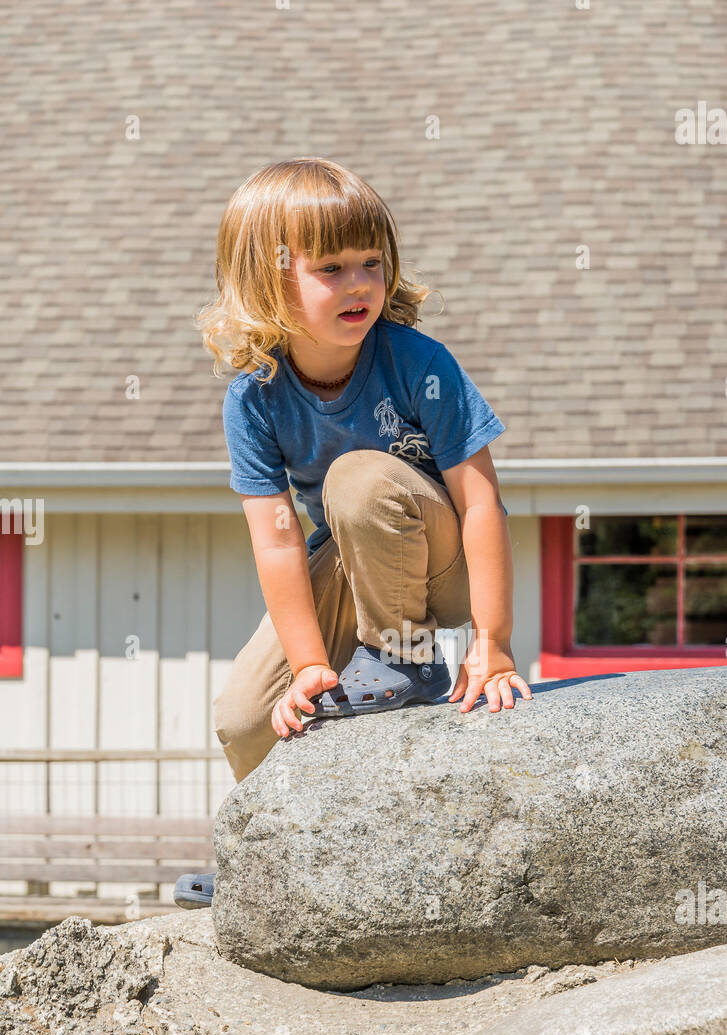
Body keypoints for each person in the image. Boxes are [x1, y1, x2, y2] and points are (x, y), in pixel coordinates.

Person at [174, 157, 531, 908]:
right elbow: (275, 540)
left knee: (357, 478)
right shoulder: (257, 398)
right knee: (245, 718)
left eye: (372, 262)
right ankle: (274, 860)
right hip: (352, 562)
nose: (360, 283)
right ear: (268, 281)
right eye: (332, 268)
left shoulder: (417, 362)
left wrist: (492, 646)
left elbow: (481, 503)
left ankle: (406, 658)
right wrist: (308, 666)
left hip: (443, 563)